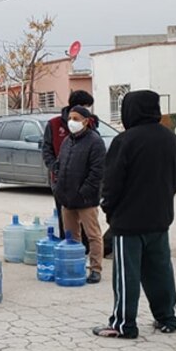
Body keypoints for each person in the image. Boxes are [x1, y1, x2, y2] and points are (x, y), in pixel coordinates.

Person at [94, 90, 176, 339]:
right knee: (160, 271)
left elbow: (111, 183)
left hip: (128, 222)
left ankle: (124, 324)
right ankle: (167, 318)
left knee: (127, 275)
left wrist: (109, 209)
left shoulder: (125, 141)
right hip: (160, 219)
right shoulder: (171, 140)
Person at [54, 106, 106, 284]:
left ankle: (96, 268)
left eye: (76, 119)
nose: (72, 122)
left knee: (92, 235)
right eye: (70, 118)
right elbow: (60, 165)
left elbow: (97, 172)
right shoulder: (68, 141)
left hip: (86, 199)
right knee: (71, 235)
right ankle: (75, 266)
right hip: (67, 198)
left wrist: (84, 192)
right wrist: (58, 187)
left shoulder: (95, 142)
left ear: (85, 121)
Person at [43, 90, 95, 241]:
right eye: (86, 106)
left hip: (83, 179)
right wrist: (55, 167)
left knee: (86, 217)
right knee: (65, 217)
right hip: (61, 180)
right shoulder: (54, 124)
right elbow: (47, 150)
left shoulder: (89, 123)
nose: (89, 110)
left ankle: (85, 248)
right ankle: (67, 245)